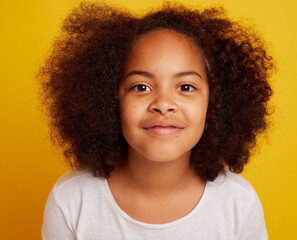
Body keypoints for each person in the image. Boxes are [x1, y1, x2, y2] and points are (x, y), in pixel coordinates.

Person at [39, 2, 274, 239]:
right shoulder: (71, 201)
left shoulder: (239, 205)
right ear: (109, 99)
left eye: (185, 87)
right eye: (141, 87)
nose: (163, 104)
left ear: (215, 103)